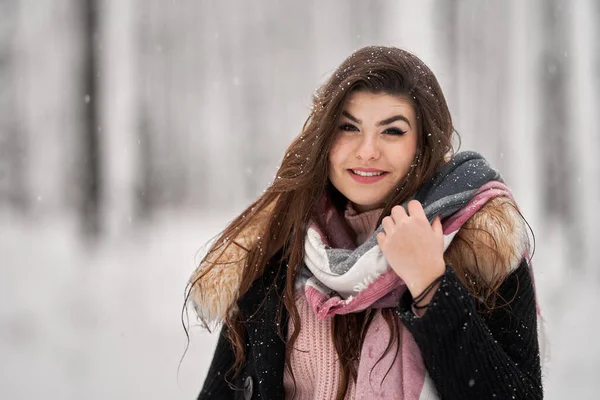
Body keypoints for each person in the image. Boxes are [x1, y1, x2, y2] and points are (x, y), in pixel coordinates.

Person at [185, 46, 543, 400]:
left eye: (392, 131)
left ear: (425, 143)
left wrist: (431, 285)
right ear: (325, 138)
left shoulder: (477, 246)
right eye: (348, 127)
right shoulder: (279, 249)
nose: (367, 150)